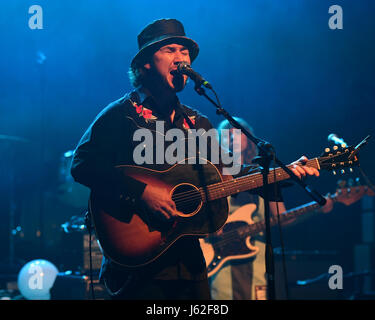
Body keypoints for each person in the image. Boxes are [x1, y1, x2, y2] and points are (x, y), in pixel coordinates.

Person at [70, 18, 320, 300]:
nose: (181, 58)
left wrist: (286, 173)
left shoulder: (197, 122)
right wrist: (143, 193)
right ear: (144, 65)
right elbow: (83, 165)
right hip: (137, 265)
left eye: (185, 51)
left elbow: (232, 173)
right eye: (170, 50)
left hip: (188, 264)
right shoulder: (122, 115)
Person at [208, 118, 333, 300]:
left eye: (237, 132)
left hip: (256, 260)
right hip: (218, 261)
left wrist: (316, 208)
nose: (232, 137)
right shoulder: (214, 175)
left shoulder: (265, 175)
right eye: (225, 134)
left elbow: (283, 218)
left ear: (248, 139)